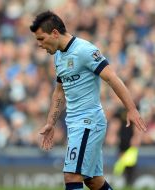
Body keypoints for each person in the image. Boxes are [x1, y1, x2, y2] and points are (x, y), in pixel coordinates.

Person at [29, 11, 147, 190]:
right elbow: (59, 92)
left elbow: (112, 78)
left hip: (88, 121)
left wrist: (131, 109)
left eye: (41, 39)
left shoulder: (85, 50)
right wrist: (51, 123)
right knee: (93, 180)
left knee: (71, 176)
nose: (39, 44)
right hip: (76, 123)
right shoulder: (59, 56)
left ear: (54, 33)